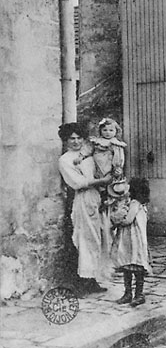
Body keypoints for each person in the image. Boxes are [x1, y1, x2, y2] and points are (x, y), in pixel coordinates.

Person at [58, 122, 113, 295]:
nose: (75, 142)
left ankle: (93, 279)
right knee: (85, 239)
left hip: (97, 197)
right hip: (82, 199)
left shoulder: (88, 154)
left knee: (99, 238)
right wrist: (102, 182)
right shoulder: (65, 160)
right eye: (71, 139)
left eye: (78, 138)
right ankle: (82, 281)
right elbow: (77, 183)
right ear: (66, 141)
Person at [112, 178, 152, 307]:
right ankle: (128, 293)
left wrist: (118, 221)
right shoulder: (134, 203)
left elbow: (129, 220)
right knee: (127, 265)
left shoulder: (135, 203)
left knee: (135, 265)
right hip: (129, 238)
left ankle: (138, 294)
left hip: (133, 239)